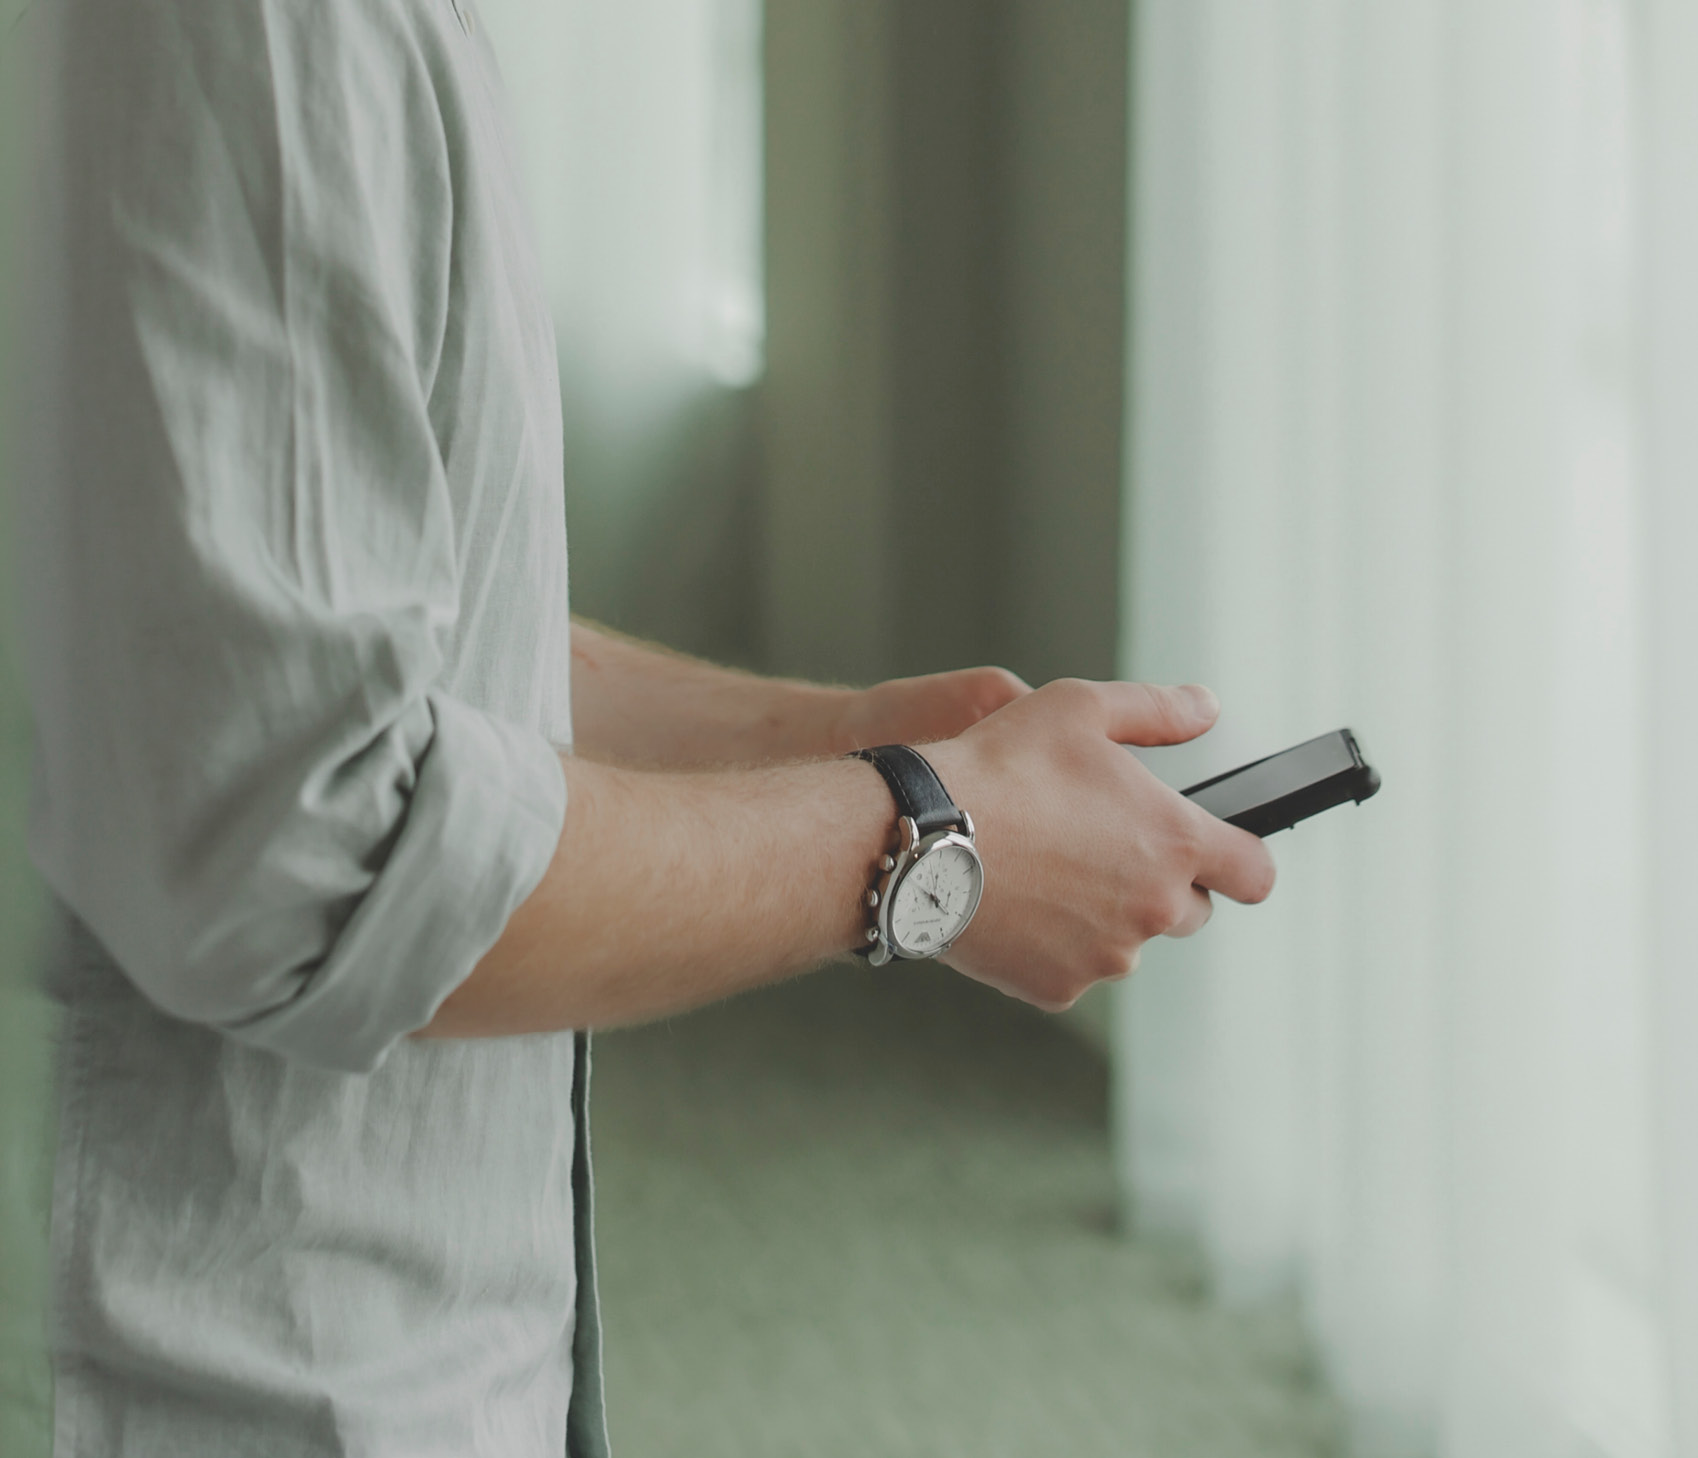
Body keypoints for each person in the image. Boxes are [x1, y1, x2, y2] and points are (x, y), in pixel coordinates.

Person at [14, 0, 1276, 1452]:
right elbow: (315, 850)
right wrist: (931, 838)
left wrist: (858, 741)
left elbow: (331, 630)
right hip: (204, 1364)